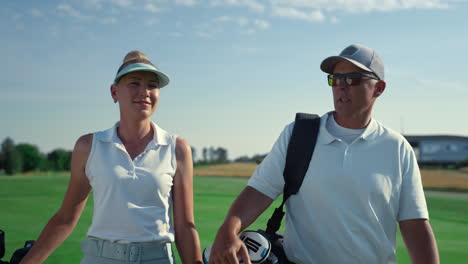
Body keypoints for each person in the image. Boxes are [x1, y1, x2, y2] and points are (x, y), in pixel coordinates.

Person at [208, 44, 439, 264]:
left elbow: (415, 225)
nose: (341, 86)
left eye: (353, 79)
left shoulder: (397, 148)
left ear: (379, 88)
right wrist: (228, 228)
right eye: (336, 79)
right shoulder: (298, 134)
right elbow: (260, 191)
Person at [20, 51, 202, 264]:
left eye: (152, 85)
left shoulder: (177, 148)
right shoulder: (88, 146)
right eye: (134, 83)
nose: (144, 91)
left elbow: (185, 225)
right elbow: (65, 218)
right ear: (114, 92)